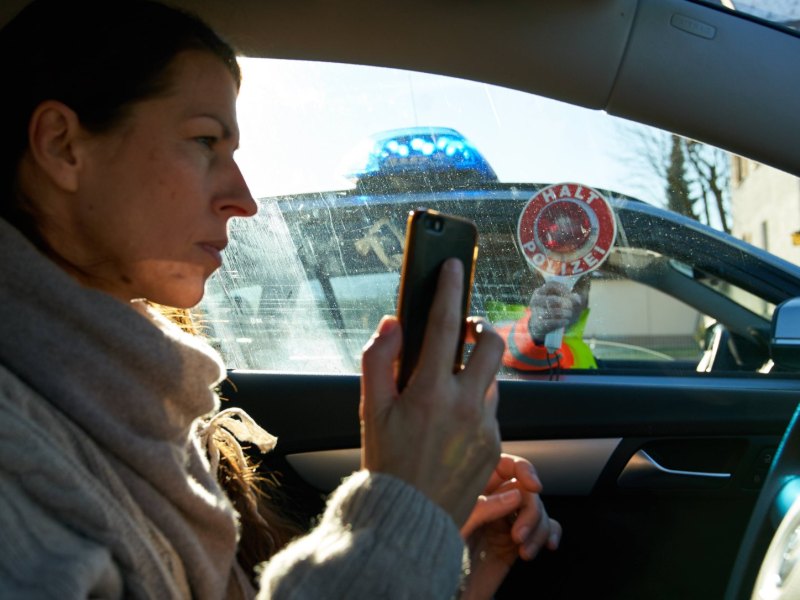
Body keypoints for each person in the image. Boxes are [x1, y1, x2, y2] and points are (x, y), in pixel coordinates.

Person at [0, 1, 560, 598]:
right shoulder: (21, 452)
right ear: (62, 145)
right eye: (204, 141)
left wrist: (443, 550)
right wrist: (403, 507)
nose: (244, 199)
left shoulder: (132, 398)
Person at [495, 275, 597, 371]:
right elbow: (507, 351)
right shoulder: (497, 331)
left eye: (578, 285)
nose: (564, 294)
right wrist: (536, 334)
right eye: (549, 283)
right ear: (525, 288)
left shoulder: (582, 348)